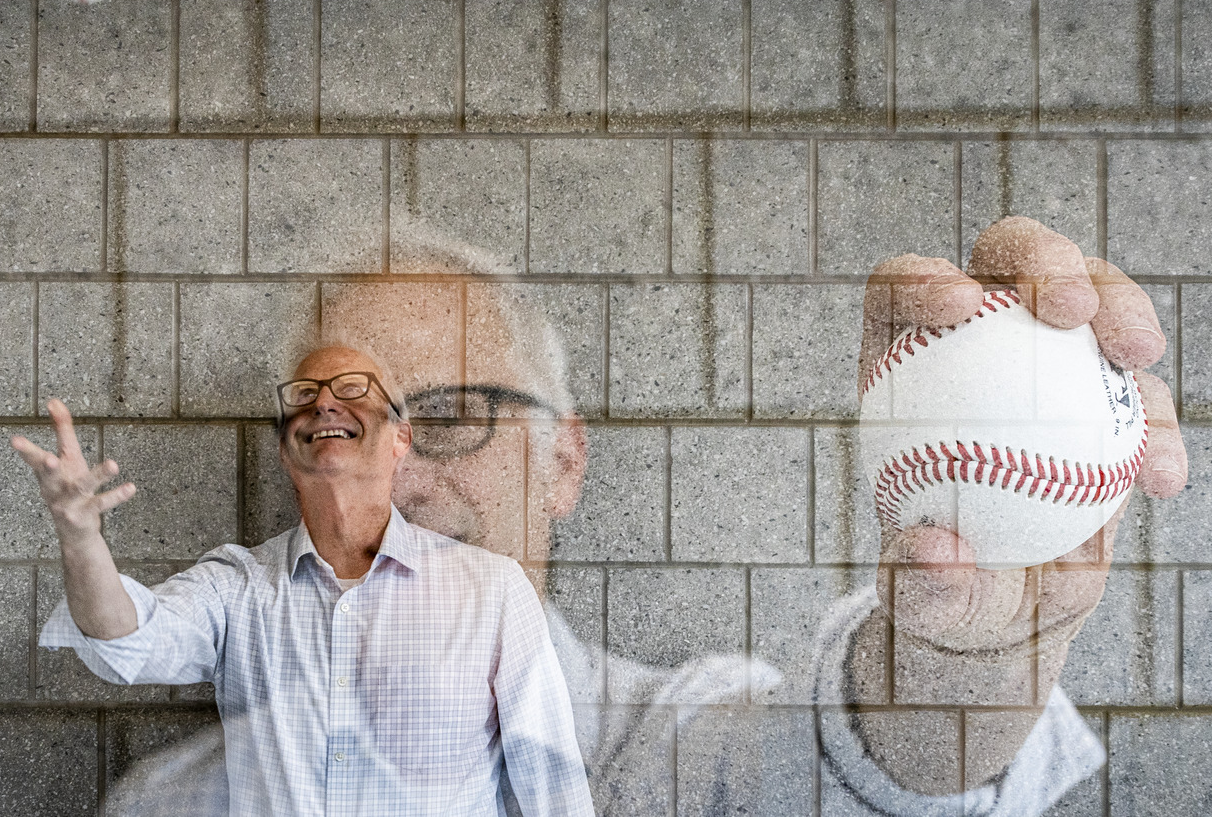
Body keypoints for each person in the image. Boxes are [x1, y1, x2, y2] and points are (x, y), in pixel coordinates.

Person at [74, 217, 1189, 815]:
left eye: (456, 415)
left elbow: (863, 772)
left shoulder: (679, 763)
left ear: (561, 465)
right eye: (339, 427)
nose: (396, 482)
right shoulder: (174, 809)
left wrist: (971, 647)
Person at [12, 344, 595, 816]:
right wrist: (80, 536)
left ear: (401, 439)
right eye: (305, 397)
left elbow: (553, 786)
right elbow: (126, 639)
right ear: (289, 453)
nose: (324, 405)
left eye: (352, 391)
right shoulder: (237, 586)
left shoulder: (491, 590)